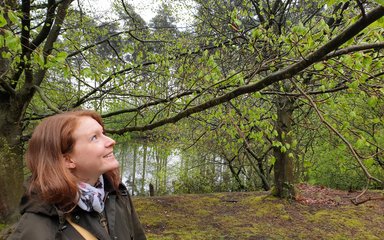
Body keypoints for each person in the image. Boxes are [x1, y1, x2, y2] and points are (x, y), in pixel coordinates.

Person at [9, 110, 147, 240]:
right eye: (94, 138)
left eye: (103, 133)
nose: (111, 141)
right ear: (68, 160)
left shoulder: (116, 193)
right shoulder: (36, 230)